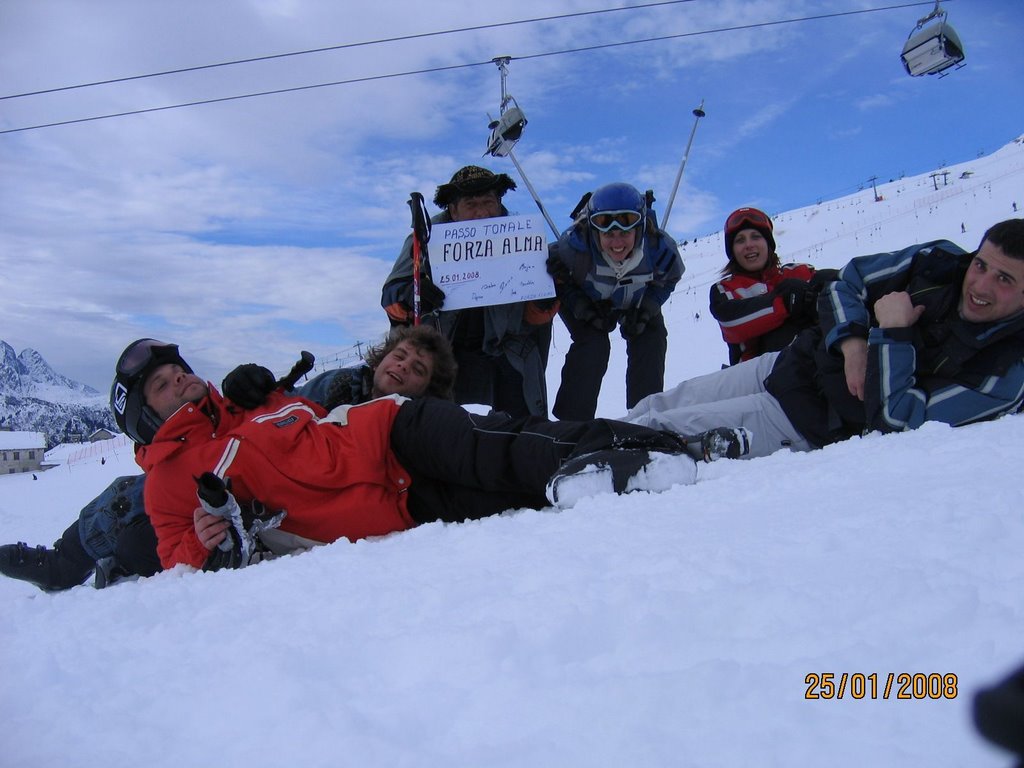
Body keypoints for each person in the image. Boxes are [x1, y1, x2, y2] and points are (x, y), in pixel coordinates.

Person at [110, 336, 726, 572]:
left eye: (178, 370)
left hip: (388, 433)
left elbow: (305, 420)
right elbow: (178, 562)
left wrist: (268, 390)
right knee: (499, 498)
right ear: (146, 416)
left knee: (501, 448)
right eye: (161, 386)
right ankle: (615, 475)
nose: (180, 382)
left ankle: (637, 448)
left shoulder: (246, 407)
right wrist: (203, 537)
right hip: (392, 511)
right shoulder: (167, 483)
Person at [0, 326, 458, 592]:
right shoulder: (348, 385)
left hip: (246, 500)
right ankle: (62, 564)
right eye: (397, 358)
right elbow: (297, 409)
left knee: (137, 540)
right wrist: (258, 389)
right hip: (211, 481)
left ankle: (110, 562)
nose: (401, 370)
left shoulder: (412, 420)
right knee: (126, 499)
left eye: (415, 370)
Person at [624, 219, 1024, 458]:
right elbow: (847, 283)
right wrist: (851, 343)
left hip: (804, 417)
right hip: (787, 363)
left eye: (1004, 279)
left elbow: (898, 420)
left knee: (662, 427)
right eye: (981, 264)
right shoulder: (940, 265)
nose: (980, 284)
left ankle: (569, 458)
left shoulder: (1003, 372)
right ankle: (569, 436)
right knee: (660, 403)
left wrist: (894, 333)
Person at [381, 165, 558, 418]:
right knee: (428, 418)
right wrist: (412, 293)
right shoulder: (424, 239)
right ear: (452, 209)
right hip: (442, 345)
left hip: (505, 346)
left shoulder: (523, 239)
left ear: (499, 203)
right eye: (471, 204)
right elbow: (391, 295)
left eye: (488, 202)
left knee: (522, 417)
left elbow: (534, 318)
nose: (482, 213)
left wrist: (547, 294)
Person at [546, 182, 684, 420]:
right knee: (593, 344)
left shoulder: (659, 249)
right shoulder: (573, 250)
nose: (617, 242)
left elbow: (669, 279)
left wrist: (648, 308)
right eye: (608, 233)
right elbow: (558, 278)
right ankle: (572, 423)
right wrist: (582, 307)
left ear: (640, 229)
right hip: (589, 300)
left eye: (625, 233)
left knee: (651, 336)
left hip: (636, 300)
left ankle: (645, 416)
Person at [710, 206, 837, 365]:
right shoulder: (726, 289)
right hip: (754, 374)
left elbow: (842, 288)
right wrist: (784, 301)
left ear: (768, 243)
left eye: (756, 237)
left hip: (813, 362)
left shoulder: (798, 272)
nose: (749, 245)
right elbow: (731, 323)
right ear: (733, 251)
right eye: (740, 240)